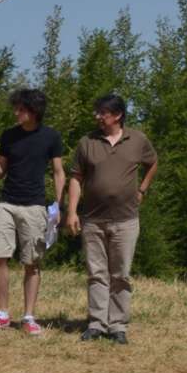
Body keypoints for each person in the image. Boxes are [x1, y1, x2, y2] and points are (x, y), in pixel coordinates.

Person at [64, 93, 157, 344]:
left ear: (117, 115)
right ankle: (96, 323)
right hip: (93, 220)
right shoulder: (87, 142)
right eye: (97, 112)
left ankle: (117, 326)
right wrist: (71, 211)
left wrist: (142, 190)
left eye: (102, 113)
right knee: (96, 273)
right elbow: (76, 178)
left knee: (121, 275)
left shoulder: (137, 139)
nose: (97, 116)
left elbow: (152, 162)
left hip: (126, 220)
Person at [0, 87, 65, 335]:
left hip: (35, 206)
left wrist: (58, 205)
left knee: (32, 262)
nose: (16, 112)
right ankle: (2, 314)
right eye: (16, 108)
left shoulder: (51, 137)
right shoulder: (9, 136)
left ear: (34, 111)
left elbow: (58, 172)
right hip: (7, 203)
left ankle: (28, 317)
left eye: (21, 109)